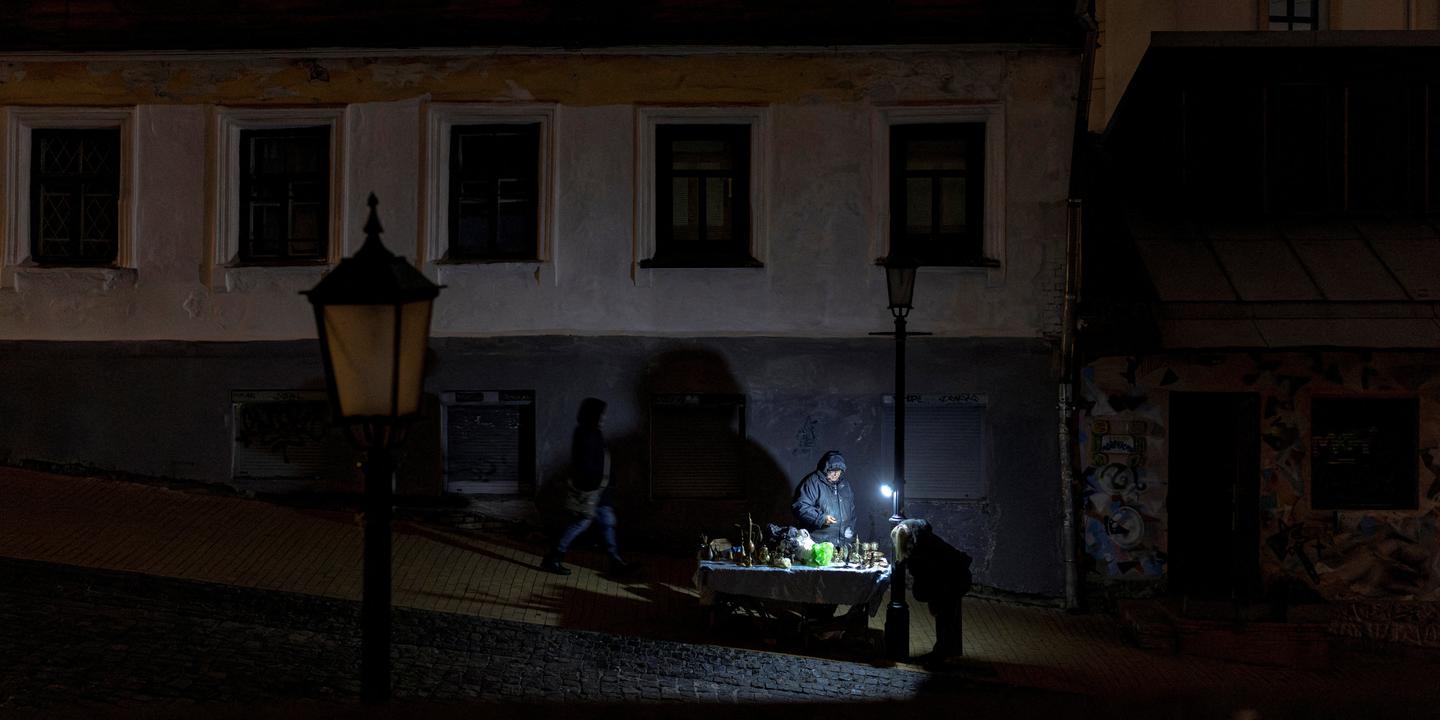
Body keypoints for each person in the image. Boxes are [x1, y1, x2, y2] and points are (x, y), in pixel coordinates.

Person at [541, 397, 636, 576]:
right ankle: (553, 557)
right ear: (593, 415)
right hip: (592, 491)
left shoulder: (591, 432)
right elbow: (586, 464)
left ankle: (615, 561)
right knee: (581, 523)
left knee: (606, 522)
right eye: (601, 414)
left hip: (599, 491)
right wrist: (595, 485)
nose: (604, 417)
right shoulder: (586, 433)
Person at [892, 518, 972, 662]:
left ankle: (942, 655)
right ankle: (947, 652)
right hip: (956, 576)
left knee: (945, 618)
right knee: (948, 617)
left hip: (951, 580)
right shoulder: (923, 537)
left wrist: (932, 600)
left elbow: (928, 576)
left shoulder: (920, 549)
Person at [791, 450, 856, 547]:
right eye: (832, 470)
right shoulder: (812, 482)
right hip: (818, 544)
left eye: (838, 471)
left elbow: (852, 512)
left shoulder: (845, 485)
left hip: (843, 544)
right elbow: (800, 506)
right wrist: (821, 518)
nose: (836, 474)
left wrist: (851, 534)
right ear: (825, 469)